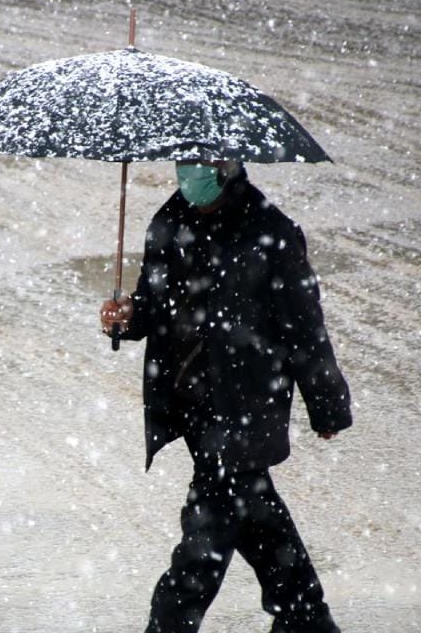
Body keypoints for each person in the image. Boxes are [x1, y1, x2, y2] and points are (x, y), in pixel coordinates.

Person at [101, 160, 352, 633]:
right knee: (256, 516)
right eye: (184, 163)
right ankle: (307, 621)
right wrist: (126, 316)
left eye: (202, 163)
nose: (189, 173)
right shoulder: (168, 224)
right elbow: (153, 305)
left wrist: (327, 404)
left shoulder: (271, 233)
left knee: (205, 541)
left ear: (228, 166)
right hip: (192, 402)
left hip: (248, 404)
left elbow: (305, 329)